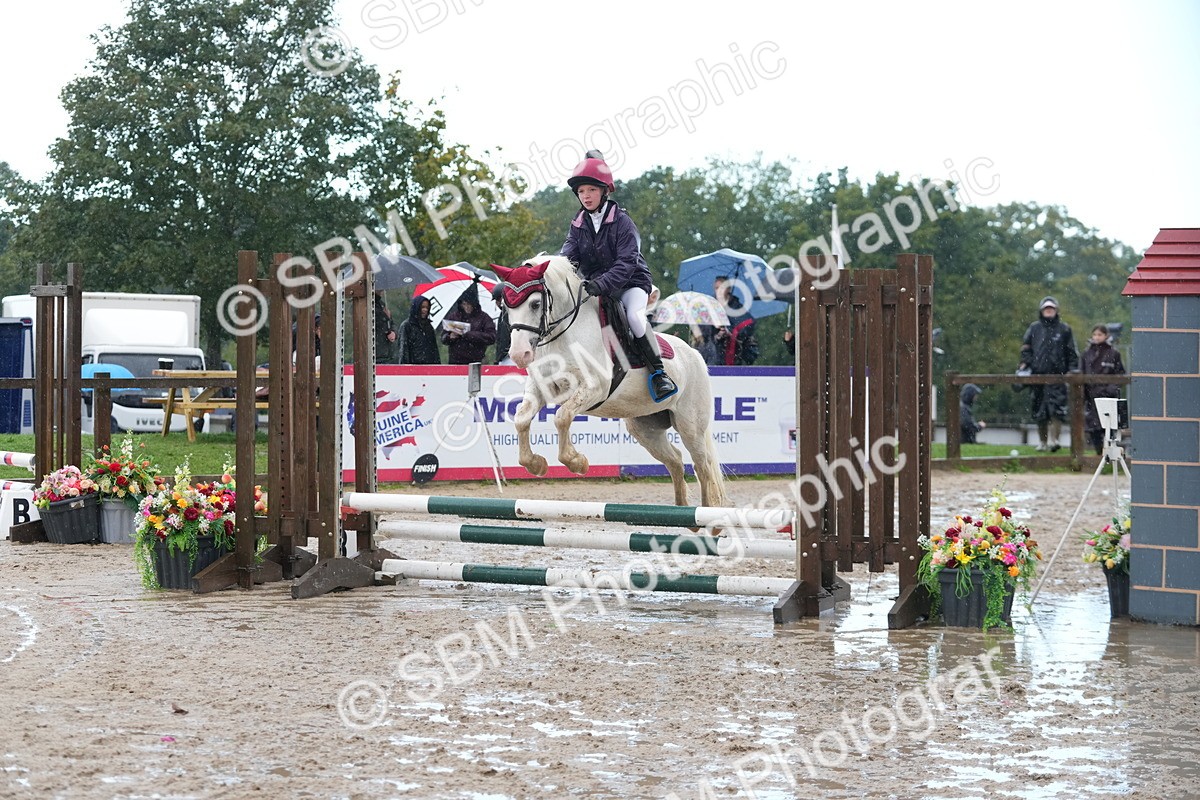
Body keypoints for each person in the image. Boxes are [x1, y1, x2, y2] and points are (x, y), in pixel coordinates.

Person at [560, 150, 677, 402]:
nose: (586, 196)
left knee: (634, 317)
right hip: (596, 286)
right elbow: (567, 258)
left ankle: (659, 373)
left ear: (604, 191)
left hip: (631, 283)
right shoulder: (578, 224)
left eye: (591, 190)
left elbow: (627, 262)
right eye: (581, 192)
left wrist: (600, 283)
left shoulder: (623, 222)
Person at [1019, 296, 1079, 452]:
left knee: (1057, 410)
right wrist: (1029, 364)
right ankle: (1042, 442)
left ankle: (1055, 440)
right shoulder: (1034, 328)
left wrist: (1072, 371)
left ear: (1056, 310)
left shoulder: (1064, 329)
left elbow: (1072, 353)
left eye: (1051, 308)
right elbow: (1025, 350)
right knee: (1039, 410)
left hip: (1058, 376)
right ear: (1041, 310)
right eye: (1046, 308)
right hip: (1037, 376)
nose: (1049, 311)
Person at [1082, 323, 1125, 455]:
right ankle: (1099, 455)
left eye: (1099, 334)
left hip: (1108, 396)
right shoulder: (1086, 354)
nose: (1096, 337)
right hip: (1091, 396)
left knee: (1109, 427)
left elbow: (1120, 374)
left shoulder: (1114, 354)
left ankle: (1110, 456)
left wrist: (1111, 389)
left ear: (1106, 336)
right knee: (1093, 427)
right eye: (1094, 334)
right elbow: (1081, 373)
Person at [441, 283, 497, 365]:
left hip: (476, 360)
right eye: (464, 304)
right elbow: (443, 337)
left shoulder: (484, 318)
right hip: (455, 361)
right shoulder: (454, 316)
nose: (467, 307)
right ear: (461, 304)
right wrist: (450, 337)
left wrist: (468, 334)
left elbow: (491, 337)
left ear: (474, 304)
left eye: (469, 304)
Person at [712, 278, 759, 366]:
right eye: (716, 288)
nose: (719, 291)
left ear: (729, 289)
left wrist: (727, 329)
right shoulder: (710, 307)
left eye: (722, 288)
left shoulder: (738, 308)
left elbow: (747, 327)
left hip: (734, 359)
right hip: (713, 359)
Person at [397, 295, 441, 365]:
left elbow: (434, 350)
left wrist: (437, 367)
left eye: (427, 307)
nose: (425, 310)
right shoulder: (407, 325)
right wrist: (405, 368)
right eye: (422, 307)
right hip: (413, 368)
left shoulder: (429, 327)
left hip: (429, 368)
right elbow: (403, 350)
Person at [374, 290, 398, 364]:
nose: (382, 290)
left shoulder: (382, 304)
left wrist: (394, 332)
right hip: (377, 354)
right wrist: (385, 316)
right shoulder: (367, 304)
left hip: (388, 353)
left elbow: (391, 323)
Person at [491, 285, 513, 365]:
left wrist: (499, 357)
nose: (496, 303)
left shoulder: (506, 314)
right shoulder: (504, 313)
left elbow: (504, 339)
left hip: (509, 357)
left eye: (497, 299)